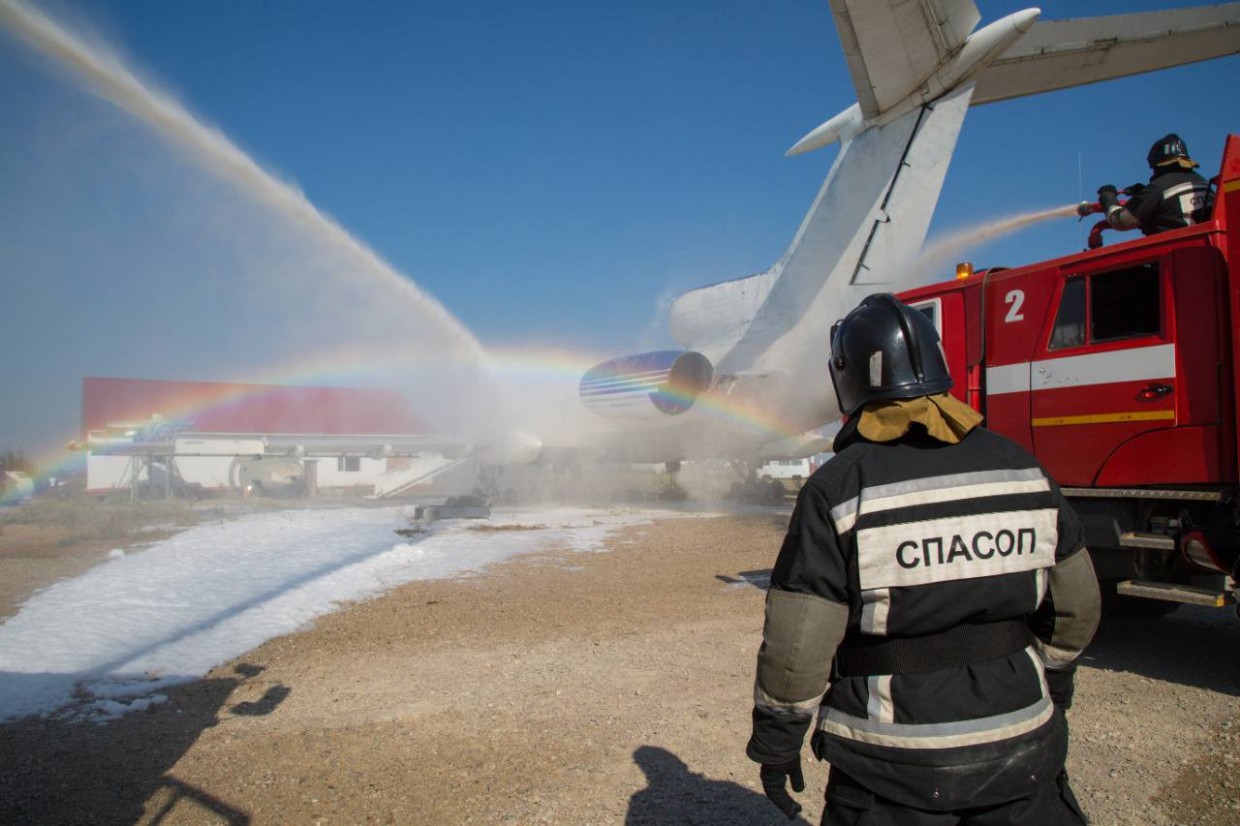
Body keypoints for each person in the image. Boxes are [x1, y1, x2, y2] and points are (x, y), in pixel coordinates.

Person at [746, 293, 1101, 824]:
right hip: (1023, 742)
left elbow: (800, 641)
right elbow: (1078, 606)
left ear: (848, 377)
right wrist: (1049, 681)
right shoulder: (1023, 468)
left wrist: (778, 741)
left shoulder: (838, 488)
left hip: (891, 762)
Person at [1080, 133, 1213, 237]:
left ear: (1157, 163)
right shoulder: (1203, 183)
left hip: (1174, 255)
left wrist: (1108, 199)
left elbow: (1120, 222)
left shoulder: (1159, 188)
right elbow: (1173, 206)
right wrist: (1144, 194)